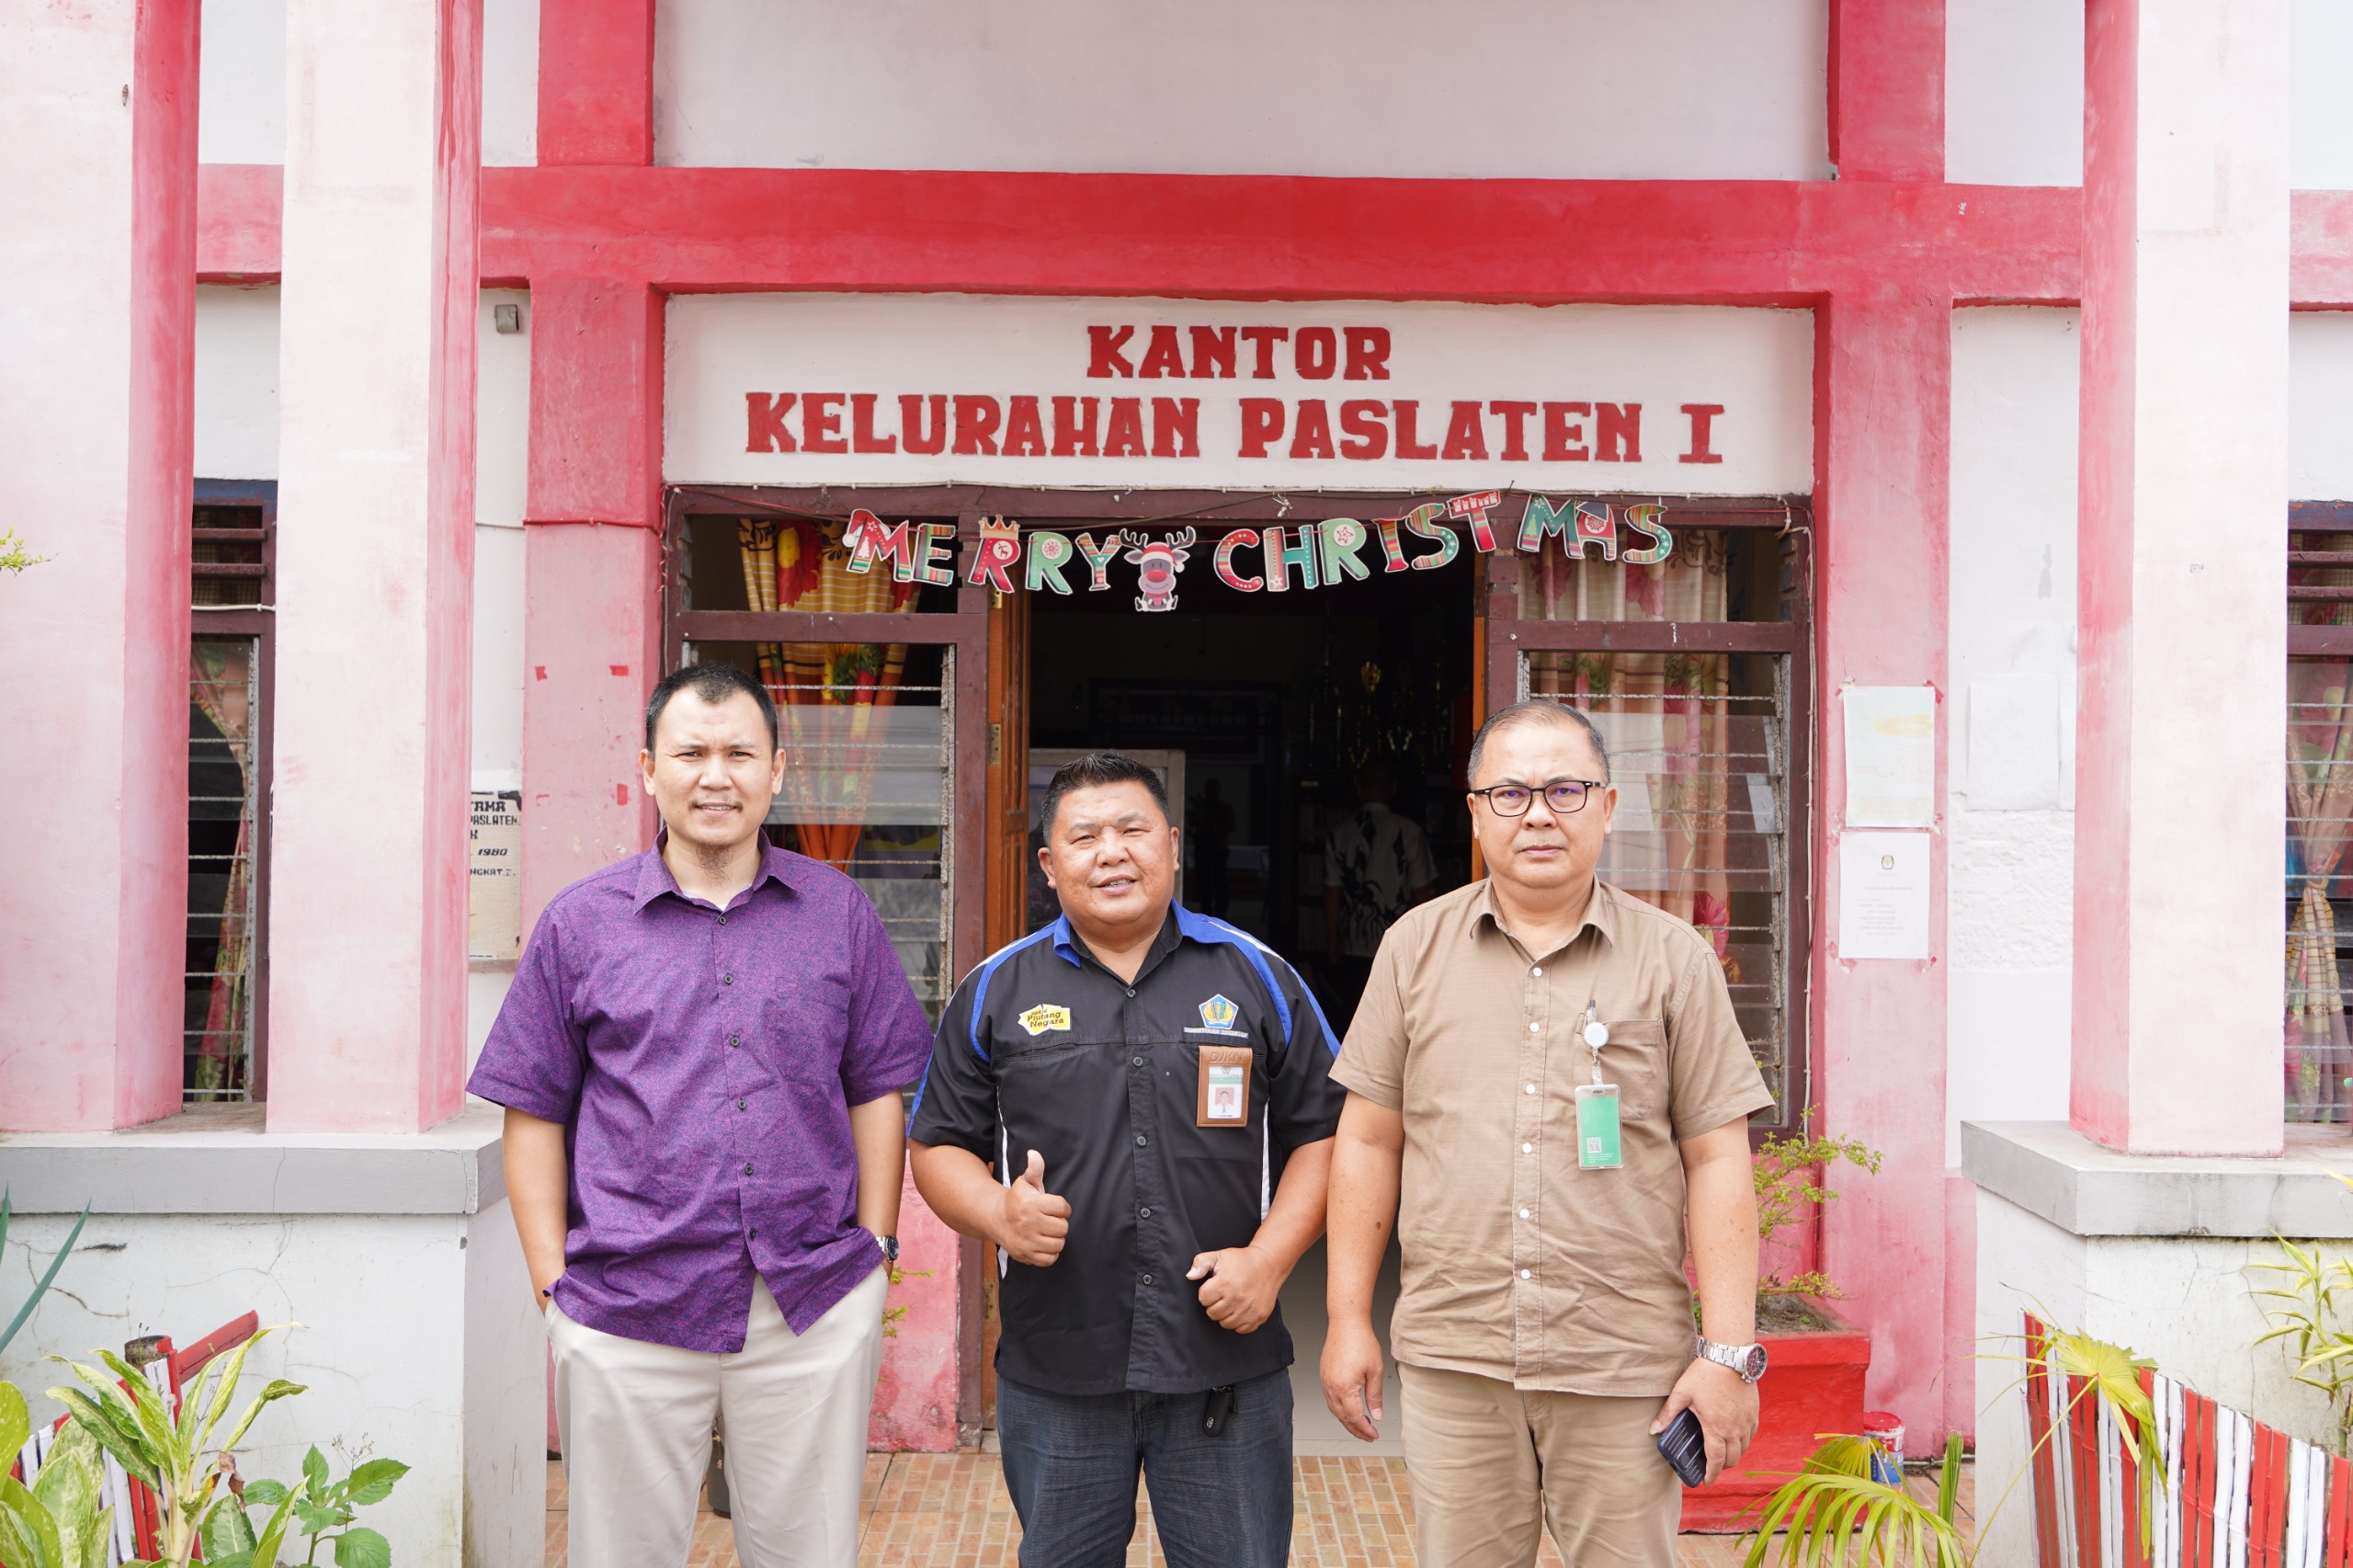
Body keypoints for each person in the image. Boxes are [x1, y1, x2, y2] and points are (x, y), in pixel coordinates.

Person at [469, 663, 934, 1568]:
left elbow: (875, 1087)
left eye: (739, 754)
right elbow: (534, 1111)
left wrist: (875, 1248)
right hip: (624, 1302)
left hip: (809, 1301)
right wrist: (552, 1282)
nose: (715, 776)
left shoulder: (836, 912)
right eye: (690, 754)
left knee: (807, 1554)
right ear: (649, 769)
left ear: (777, 770)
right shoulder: (580, 924)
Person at [1318, 699, 1773, 1567]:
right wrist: (1347, 1319)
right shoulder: (1414, 949)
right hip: (1458, 1357)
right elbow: (1369, 1141)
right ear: (1475, 813)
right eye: (1510, 793)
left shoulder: (1673, 958)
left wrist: (1727, 1354)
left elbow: (1718, 1157)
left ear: (1608, 806)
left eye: (1566, 790)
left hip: (1621, 1364)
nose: (1537, 814)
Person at [908, 751, 1345, 1568]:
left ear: (1173, 846)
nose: (1111, 852)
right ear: (1049, 864)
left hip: (1224, 1358)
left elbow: (1329, 1133)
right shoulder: (995, 990)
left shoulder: (1259, 976)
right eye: (1085, 837)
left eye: (1132, 830)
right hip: (1058, 1363)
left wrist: (1270, 1261)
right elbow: (937, 1144)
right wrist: (997, 1212)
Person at [1321, 757, 1436, 1027]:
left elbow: (1332, 894)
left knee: (1356, 1020)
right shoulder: (1410, 832)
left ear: (1359, 789)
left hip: (1354, 943)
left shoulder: (1340, 834)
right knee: (1397, 1022)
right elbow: (1423, 894)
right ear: (1393, 788)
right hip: (1402, 944)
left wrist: (1333, 943)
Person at [1191, 776, 1236, 916]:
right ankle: (1205, 908)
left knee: (1220, 880)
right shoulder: (1200, 807)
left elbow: (1233, 826)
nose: (1210, 792)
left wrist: (1219, 829)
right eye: (1208, 789)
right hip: (1203, 849)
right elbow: (1190, 825)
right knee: (1203, 881)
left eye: (1213, 789)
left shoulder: (1224, 807)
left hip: (1219, 849)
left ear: (1218, 791)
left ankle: (1221, 911)